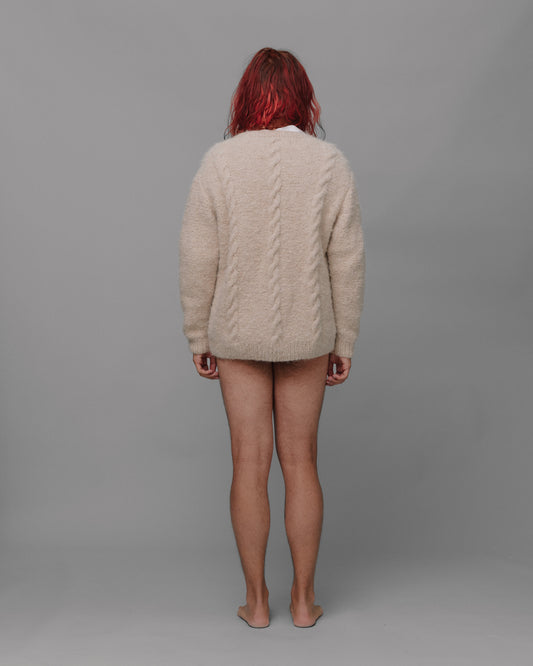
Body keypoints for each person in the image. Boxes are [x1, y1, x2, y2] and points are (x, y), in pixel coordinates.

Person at [178, 47, 366, 629]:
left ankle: (256, 603)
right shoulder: (329, 163)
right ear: (303, 98)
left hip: (236, 335)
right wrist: (344, 341)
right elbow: (347, 261)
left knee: (248, 463)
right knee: (301, 462)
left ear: (246, 99)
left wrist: (197, 332)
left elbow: (198, 254)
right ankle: (304, 603)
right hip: (309, 335)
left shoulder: (219, 162)